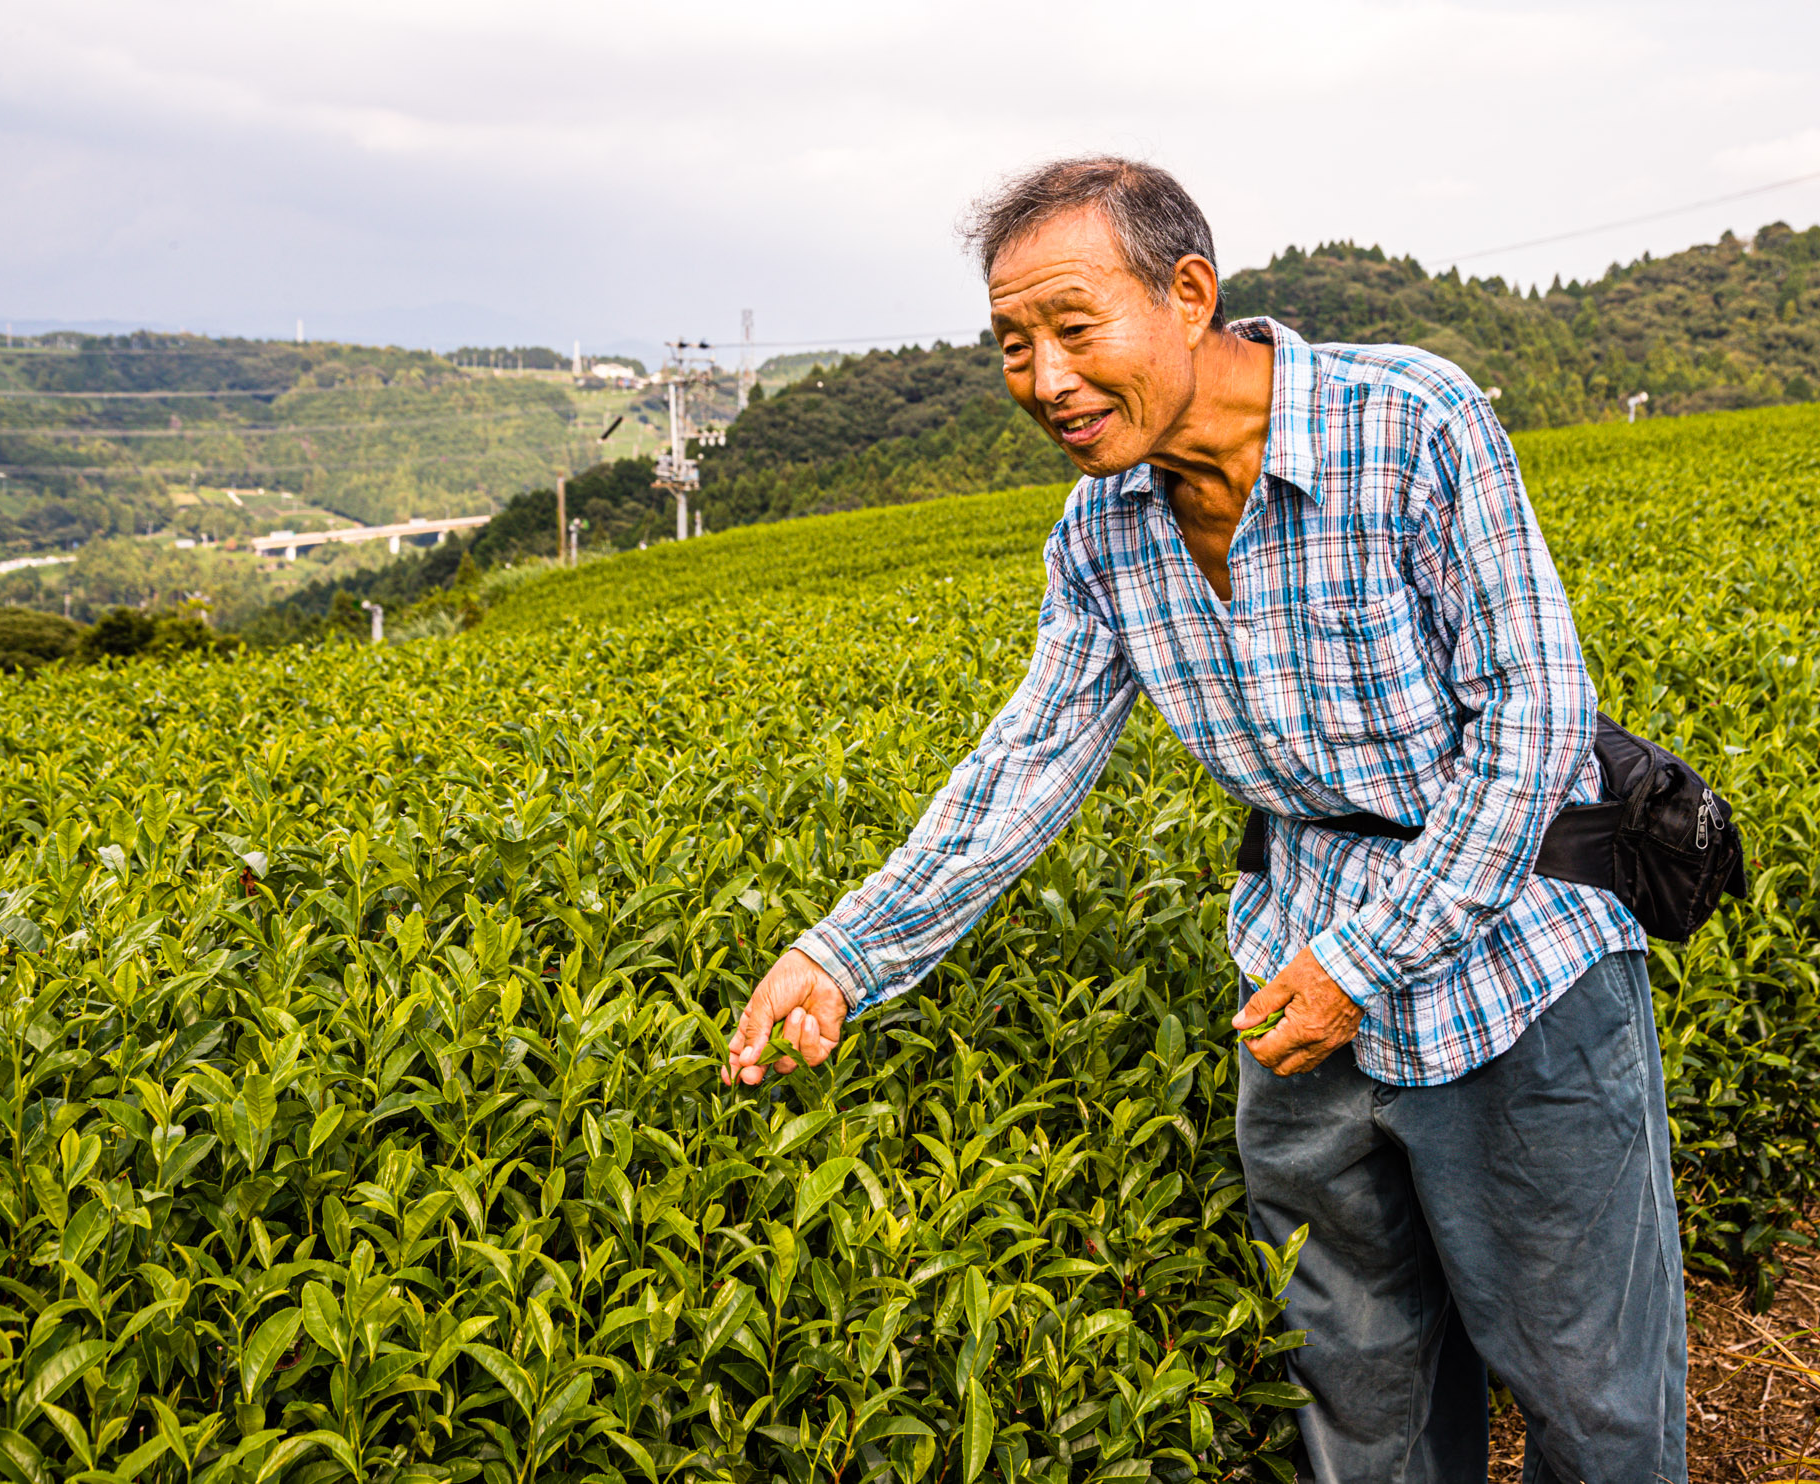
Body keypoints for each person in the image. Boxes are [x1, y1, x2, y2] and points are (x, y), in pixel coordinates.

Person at [719, 156, 1685, 1482]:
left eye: (1074, 329)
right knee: (1363, 1401)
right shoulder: (1102, 532)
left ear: (1187, 293)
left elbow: (1535, 721)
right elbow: (1029, 762)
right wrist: (842, 955)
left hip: (1517, 973)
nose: (1046, 379)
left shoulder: (1410, 422)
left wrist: (1364, 961)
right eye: (1012, 345)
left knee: (1593, 1404)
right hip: (1297, 993)